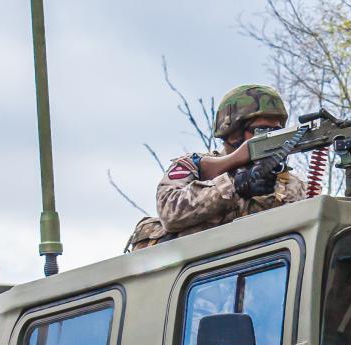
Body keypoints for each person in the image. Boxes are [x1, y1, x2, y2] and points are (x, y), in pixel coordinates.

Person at [126, 84, 306, 251]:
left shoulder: (288, 183)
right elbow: (169, 212)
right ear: (233, 132)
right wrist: (235, 184)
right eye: (262, 130)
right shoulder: (194, 166)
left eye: (277, 130)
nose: (272, 137)